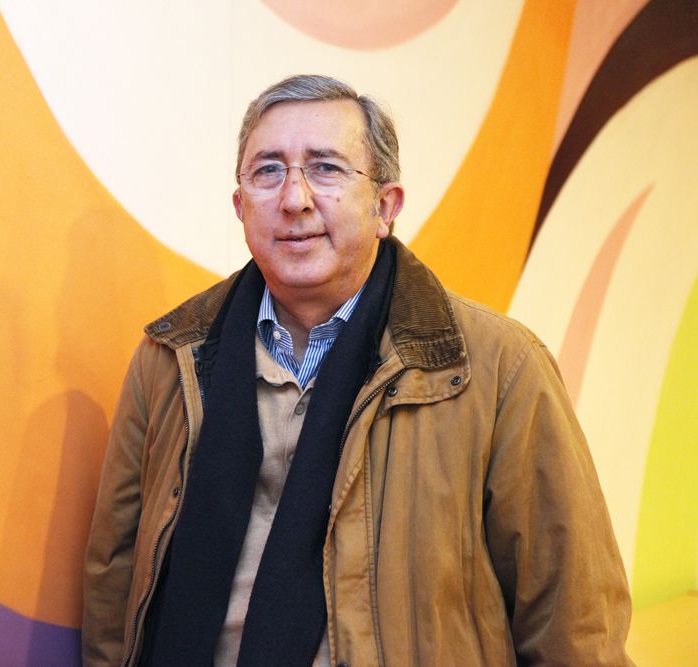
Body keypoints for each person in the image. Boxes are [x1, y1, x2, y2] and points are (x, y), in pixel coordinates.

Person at [81, 74, 634, 666]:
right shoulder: (172, 357)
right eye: (268, 170)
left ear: (385, 207)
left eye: (326, 168)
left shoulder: (499, 367)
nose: (294, 199)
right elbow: (115, 578)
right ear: (240, 206)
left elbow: (573, 616)